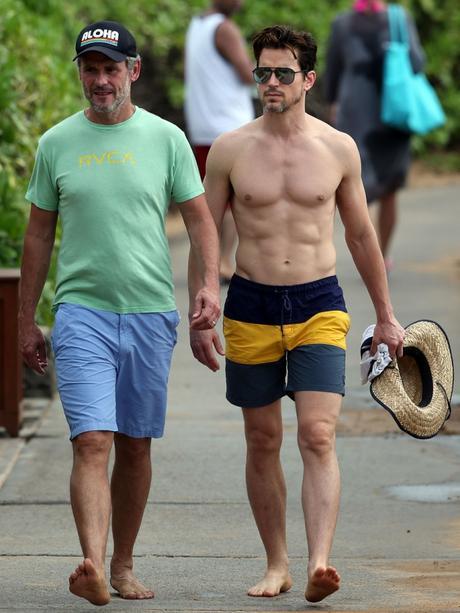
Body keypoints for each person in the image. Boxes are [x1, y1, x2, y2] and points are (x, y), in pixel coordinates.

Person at [190, 25, 405, 604]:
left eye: (284, 73)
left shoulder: (338, 147)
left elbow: (361, 234)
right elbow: (203, 231)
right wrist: (203, 300)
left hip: (318, 305)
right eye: (263, 72)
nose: (272, 83)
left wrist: (386, 315)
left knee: (316, 434)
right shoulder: (232, 148)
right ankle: (277, 563)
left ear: (308, 79)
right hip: (251, 304)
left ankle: (319, 562)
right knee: (262, 441)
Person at [18, 20, 220, 607]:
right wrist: (25, 320)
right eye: (90, 68)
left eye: (111, 69)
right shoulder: (56, 143)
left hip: (151, 313)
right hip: (82, 312)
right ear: (79, 72)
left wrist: (208, 285)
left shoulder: (167, 139)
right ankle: (93, 565)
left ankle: (123, 565)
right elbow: (36, 237)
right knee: (92, 441)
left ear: (132, 71)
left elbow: (201, 218)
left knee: (135, 445)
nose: (100, 80)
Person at [324, 0, 425, 271]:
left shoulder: (343, 23)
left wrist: (332, 104)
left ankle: (370, 258)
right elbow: (417, 62)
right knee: (388, 188)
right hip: (394, 112)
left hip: (357, 113)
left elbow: (331, 72)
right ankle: (380, 255)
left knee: (360, 189)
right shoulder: (397, 19)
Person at [184, 0, 254, 283]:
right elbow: (247, 74)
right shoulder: (224, 30)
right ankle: (223, 262)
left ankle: (210, 262)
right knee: (232, 198)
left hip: (203, 123)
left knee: (211, 196)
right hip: (229, 124)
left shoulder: (196, 25)